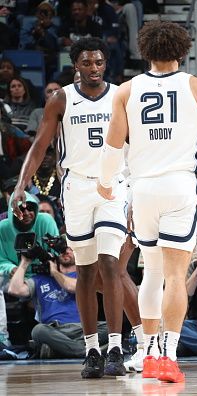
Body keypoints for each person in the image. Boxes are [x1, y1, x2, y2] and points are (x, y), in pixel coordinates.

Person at [97, 20, 197, 383]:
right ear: (183, 49)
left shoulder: (125, 90)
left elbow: (113, 146)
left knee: (151, 273)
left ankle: (148, 350)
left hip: (142, 189)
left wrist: (106, 183)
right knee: (174, 274)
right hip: (179, 187)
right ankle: (168, 356)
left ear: (145, 50)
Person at [11, 37, 129, 379]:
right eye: (87, 63)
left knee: (110, 263)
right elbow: (39, 144)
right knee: (86, 271)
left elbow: (137, 141)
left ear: (105, 64)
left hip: (113, 186)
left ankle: (117, 348)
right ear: (75, 65)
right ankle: (92, 350)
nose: (94, 69)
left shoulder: (121, 95)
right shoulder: (61, 98)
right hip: (76, 188)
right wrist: (22, 184)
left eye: (99, 63)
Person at [7, 247, 109, 358]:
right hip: (55, 330)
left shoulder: (85, 276)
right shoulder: (40, 279)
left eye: (71, 249)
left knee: (110, 327)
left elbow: (71, 287)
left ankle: (61, 349)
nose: (66, 251)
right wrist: (25, 262)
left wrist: (55, 272)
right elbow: (14, 289)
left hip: (84, 329)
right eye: (63, 249)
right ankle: (86, 351)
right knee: (38, 330)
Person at [0, 191, 59, 346]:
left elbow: (55, 253)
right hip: (12, 276)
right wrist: (11, 268)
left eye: (30, 208)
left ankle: (50, 338)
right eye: (21, 209)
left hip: (43, 274)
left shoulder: (45, 220)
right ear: (12, 211)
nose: (26, 213)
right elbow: (0, 260)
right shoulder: (2, 228)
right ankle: (2, 338)